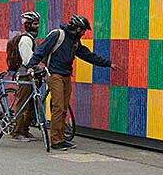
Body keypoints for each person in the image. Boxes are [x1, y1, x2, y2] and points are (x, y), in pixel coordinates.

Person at [21, 14, 118, 150]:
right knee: (58, 107)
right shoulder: (58, 35)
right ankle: (55, 141)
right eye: (83, 30)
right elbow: (41, 51)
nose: (84, 33)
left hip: (66, 75)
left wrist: (107, 63)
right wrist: (31, 65)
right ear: (77, 28)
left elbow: (87, 55)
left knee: (63, 109)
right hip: (55, 75)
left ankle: (60, 138)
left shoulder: (75, 41)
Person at [6, 10, 42, 141]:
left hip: (32, 77)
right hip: (25, 76)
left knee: (32, 105)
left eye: (37, 23)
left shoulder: (31, 39)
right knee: (23, 105)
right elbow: (28, 61)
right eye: (35, 24)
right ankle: (17, 132)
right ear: (27, 24)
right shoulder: (26, 40)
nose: (37, 26)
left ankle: (25, 130)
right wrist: (41, 69)